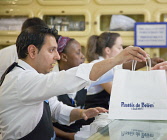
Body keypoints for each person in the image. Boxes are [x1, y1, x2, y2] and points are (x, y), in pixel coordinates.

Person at [0, 25, 148, 139]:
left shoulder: (32, 78)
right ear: (32, 52)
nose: (57, 57)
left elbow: (55, 109)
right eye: (51, 50)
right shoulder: (21, 80)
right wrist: (116, 60)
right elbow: (68, 79)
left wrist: (81, 113)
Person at [85, 32, 164, 109]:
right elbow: (116, 93)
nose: (122, 51)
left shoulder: (110, 65)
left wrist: (146, 62)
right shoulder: (99, 65)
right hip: (92, 117)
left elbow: (123, 66)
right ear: (108, 50)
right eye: (119, 48)